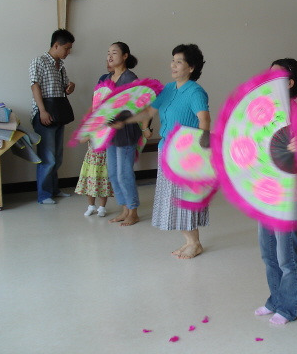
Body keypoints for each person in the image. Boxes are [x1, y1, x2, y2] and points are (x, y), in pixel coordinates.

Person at [113, 44, 210, 258]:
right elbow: (149, 111)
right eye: (172, 60)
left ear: (191, 67)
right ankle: (189, 240)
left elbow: (204, 120)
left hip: (186, 154)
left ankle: (195, 243)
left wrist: (201, 149)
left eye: (179, 62)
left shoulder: (195, 92)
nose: (173, 65)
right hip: (166, 150)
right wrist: (126, 120)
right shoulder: (168, 89)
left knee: (185, 200)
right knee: (174, 199)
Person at [254, 58, 297, 325]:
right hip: (267, 194)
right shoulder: (264, 111)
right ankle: (275, 300)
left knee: (286, 256)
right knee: (268, 254)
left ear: (289, 83)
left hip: (290, 198)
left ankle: (288, 308)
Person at [29, 29, 75, 204]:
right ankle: (44, 195)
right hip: (44, 113)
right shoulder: (38, 61)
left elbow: (64, 89)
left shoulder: (61, 66)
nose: (68, 52)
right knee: (47, 157)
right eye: (67, 48)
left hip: (58, 113)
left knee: (57, 156)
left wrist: (70, 87)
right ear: (56, 45)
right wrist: (42, 111)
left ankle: (54, 190)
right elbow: (35, 87)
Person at [105, 42, 144, 226]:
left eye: (114, 53)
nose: (110, 56)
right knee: (113, 173)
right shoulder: (107, 78)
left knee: (124, 173)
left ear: (125, 56)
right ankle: (124, 209)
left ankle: (133, 210)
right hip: (110, 132)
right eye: (108, 53)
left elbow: (141, 103)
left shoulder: (130, 77)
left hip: (126, 130)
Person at [76, 70, 114, 217]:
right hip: (91, 159)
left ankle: (102, 207)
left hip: (104, 158)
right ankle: (91, 205)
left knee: (103, 183)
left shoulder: (109, 120)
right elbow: (81, 138)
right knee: (90, 183)